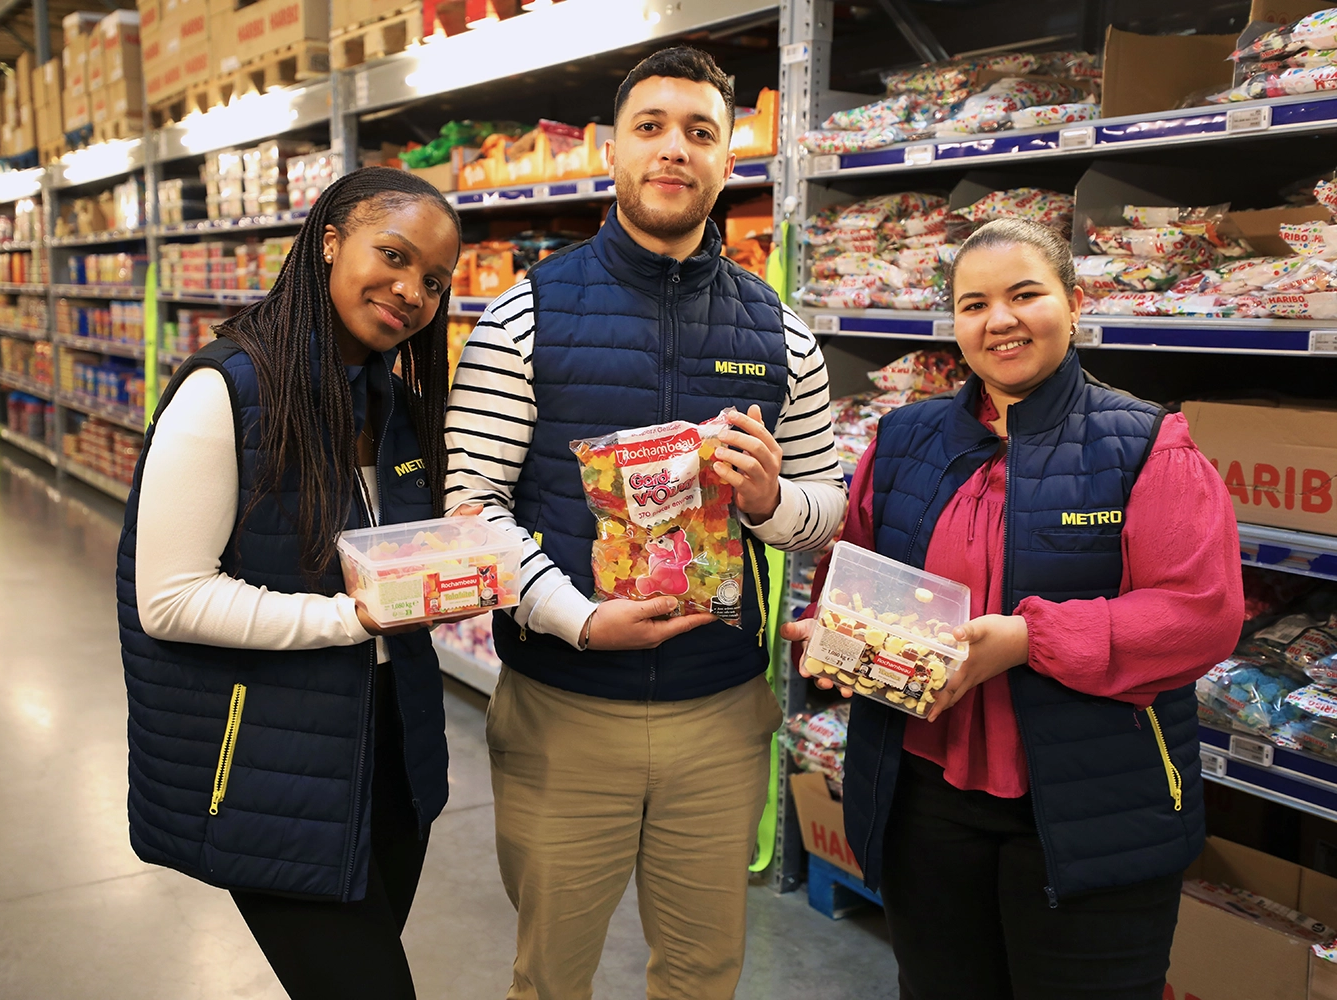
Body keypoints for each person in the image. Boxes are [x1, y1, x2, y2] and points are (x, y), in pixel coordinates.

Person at [445, 46, 848, 999]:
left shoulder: (780, 331)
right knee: (552, 974)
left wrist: (770, 502)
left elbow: (827, 508)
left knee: (703, 974)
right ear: (614, 152)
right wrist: (577, 619)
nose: (675, 150)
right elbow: (472, 507)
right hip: (564, 709)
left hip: (719, 711)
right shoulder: (523, 313)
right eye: (652, 128)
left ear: (729, 163)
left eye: (701, 133)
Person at [783, 218, 1244, 1000]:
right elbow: (852, 579)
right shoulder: (902, 441)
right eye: (974, 303)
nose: (1000, 320)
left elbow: (1201, 614)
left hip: (1086, 803)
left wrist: (1031, 639)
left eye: (1025, 294)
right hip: (923, 799)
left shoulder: (1146, 443)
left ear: (1072, 301)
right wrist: (837, 641)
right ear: (954, 323)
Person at [117, 167, 471, 1000]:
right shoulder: (226, 392)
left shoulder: (395, 403)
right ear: (329, 240)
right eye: (392, 255)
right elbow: (168, 599)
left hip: (391, 752)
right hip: (271, 769)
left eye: (434, 280)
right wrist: (351, 619)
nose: (411, 290)